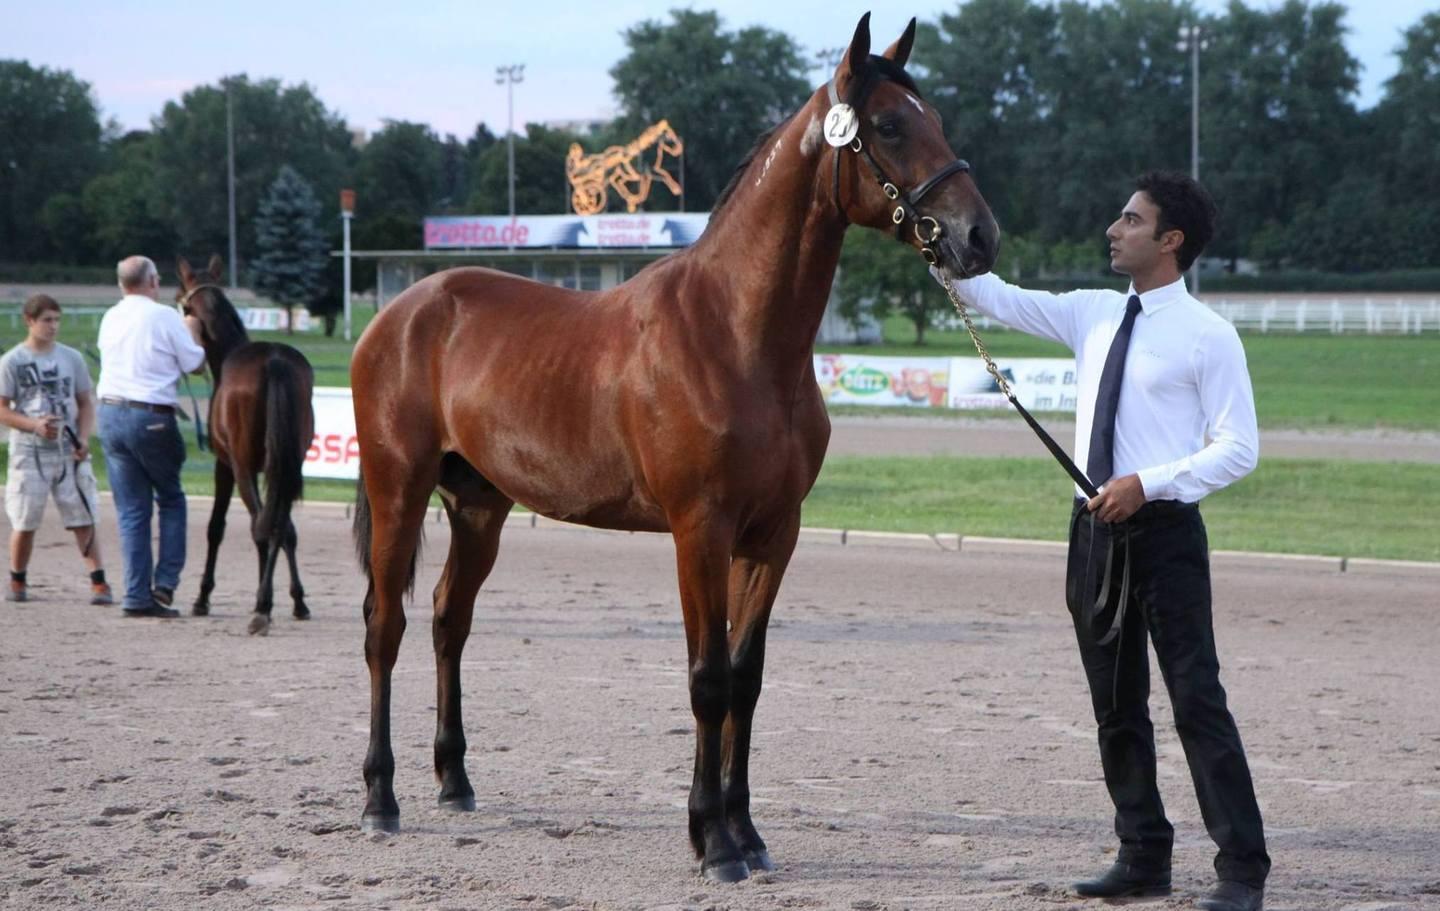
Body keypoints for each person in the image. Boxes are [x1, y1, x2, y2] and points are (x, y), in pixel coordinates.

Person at [934, 171, 1268, 911]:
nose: (1114, 230)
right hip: (1091, 538)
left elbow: (1238, 448)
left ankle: (1242, 870)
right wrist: (936, 244)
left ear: (1171, 240)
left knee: (1196, 703)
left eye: (1131, 220)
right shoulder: (1092, 312)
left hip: (1166, 536)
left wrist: (1148, 482)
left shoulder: (1208, 335)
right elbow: (994, 297)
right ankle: (1142, 854)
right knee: (1115, 708)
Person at [96, 256, 206, 619]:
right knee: (171, 499)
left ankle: (135, 594)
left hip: (110, 413)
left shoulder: (110, 317)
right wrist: (192, 329)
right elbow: (194, 364)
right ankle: (165, 583)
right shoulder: (164, 316)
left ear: (121, 284)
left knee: (132, 510)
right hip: (151, 416)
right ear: (154, 281)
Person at [0, 294, 112, 605]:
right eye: (46, 320)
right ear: (30, 321)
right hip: (29, 450)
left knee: (83, 515)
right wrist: (33, 424)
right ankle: (18, 578)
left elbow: (85, 403)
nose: (53, 326)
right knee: (25, 518)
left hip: (67, 449)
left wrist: (84, 438)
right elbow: (2, 409)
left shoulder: (71, 358)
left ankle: (99, 581)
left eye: (56, 320)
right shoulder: (12, 362)